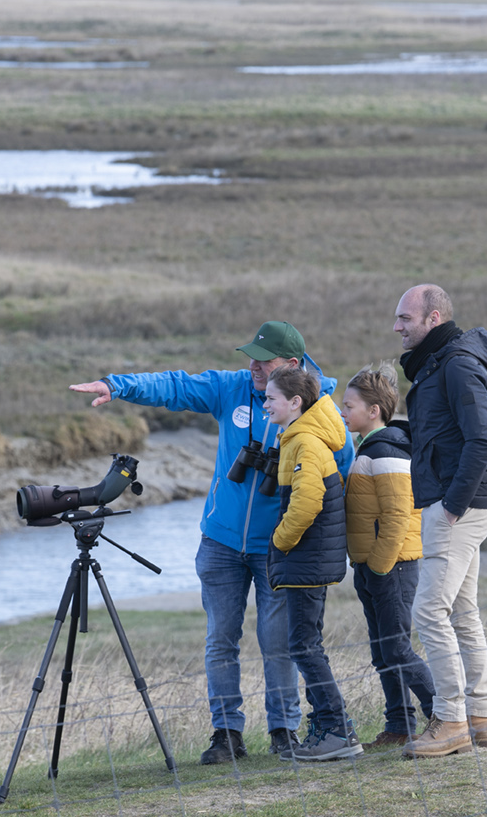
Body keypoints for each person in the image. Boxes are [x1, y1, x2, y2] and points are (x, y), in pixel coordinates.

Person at [70, 321, 353, 765]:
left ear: (293, 366)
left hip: (275, 547)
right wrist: (116, 385)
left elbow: (340, 477)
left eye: (264, 361)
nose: (254, 368)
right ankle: (226, 735)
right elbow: (175, 386)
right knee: (220, 639)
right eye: (251, 358)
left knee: (276, 641)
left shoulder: (320, 409)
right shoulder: (232, 388)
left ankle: (284, 731)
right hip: (220, 542)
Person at [392, 283, 487, 758]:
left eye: (405, 319)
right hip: (456, 502)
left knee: (428, 611)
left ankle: (451, 719)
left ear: (433, 319)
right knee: (461, 612)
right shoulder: (441, 364)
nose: (397, 327)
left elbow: (482, 439)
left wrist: (452, 505)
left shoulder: (455, 365)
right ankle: (480, 718)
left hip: (457, 506)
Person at [262, 363, 360, 761]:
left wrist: (279, 543)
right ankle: (325, 727)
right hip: (311, 557)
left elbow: (305, 504)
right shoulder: (302, 437)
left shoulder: (306, 442)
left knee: (304, 646)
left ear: (295, 402)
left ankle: (337, 729)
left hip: (307, 557)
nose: (265, 403)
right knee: (306, 643)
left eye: (271, 398)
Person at [338, 366, 435, 748]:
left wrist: (378, 567)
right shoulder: (371, 445)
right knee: (383, 649)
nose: (342, 411)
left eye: (349, 405)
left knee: (396, 647)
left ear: (374, 410)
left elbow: (396, 517)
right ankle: (399, 726)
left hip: (391, 567)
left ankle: (444, 718)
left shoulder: (388, 449)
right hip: (372, 566)